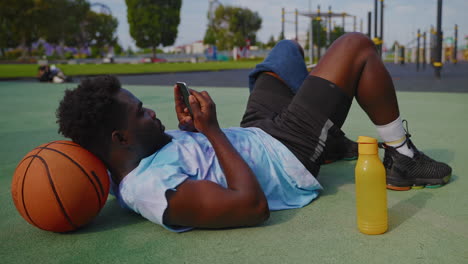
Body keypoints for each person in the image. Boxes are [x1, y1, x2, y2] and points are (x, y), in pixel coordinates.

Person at [56, 33, 452, 232]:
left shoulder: (136, 155)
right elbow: (251, 206)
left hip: (255, 133)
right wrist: (209, 131)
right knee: (356, 46)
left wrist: (190, 129)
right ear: (120, 140)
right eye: (141, 113)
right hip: (285, 153)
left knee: (283, 53)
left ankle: (328, 138)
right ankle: (402, 156)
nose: (151, 112)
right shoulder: (151, 190)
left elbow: (191, 159)